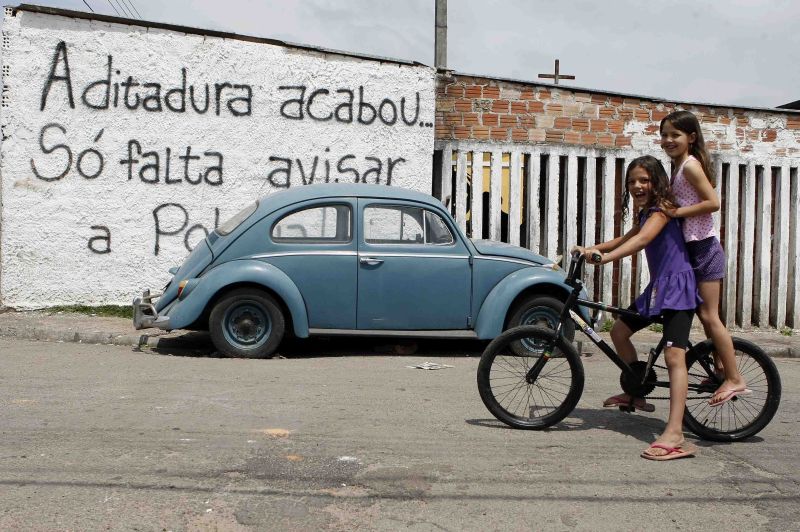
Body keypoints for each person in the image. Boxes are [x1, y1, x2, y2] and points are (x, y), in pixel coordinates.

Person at [575, 155, 701, 461]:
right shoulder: (645, 212)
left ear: (656, 181)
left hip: (678, 287)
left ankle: (675, 432)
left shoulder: (662, 210)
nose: (637, 186)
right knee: (619, 331)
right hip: (659, 288)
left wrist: (604, 260)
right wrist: (593, 248)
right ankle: (636, 390)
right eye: (632, 181)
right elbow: (629, 236)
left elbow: (643, 241)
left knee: (674, 357)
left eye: (644, 180)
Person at [660, 110, 749, 406]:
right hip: (692, 247)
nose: (668, 140)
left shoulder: (690, 167)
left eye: (675, 135)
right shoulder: (678, 166)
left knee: (710, 317)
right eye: (665, 135)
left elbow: (713, 203)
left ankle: (735, 378)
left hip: (705, 248)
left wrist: (676, 213)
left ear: (691, 138)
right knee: (706, 317)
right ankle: (721, 370)